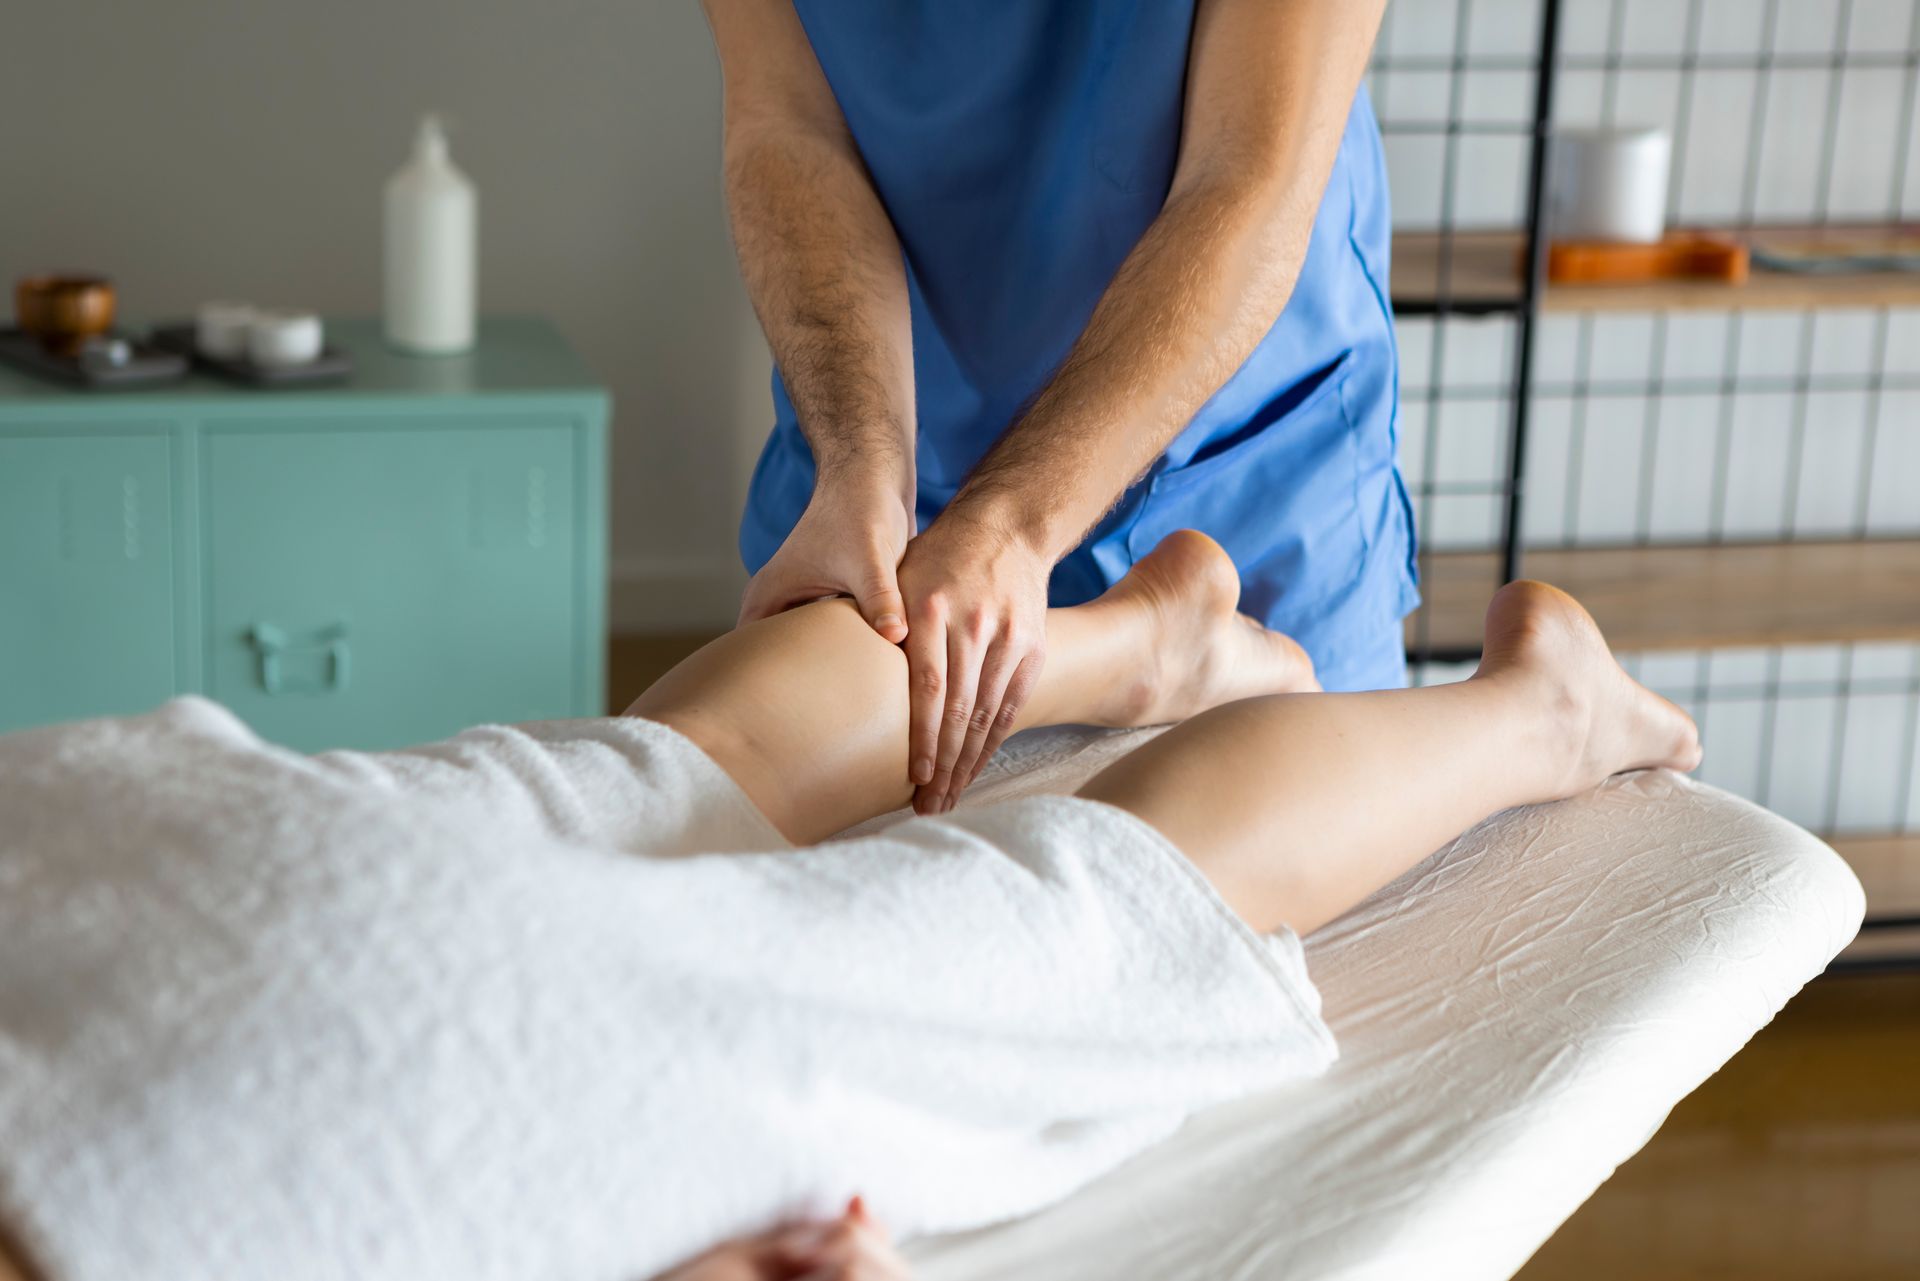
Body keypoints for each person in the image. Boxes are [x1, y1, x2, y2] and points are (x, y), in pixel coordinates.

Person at [0, 532, 1698, 1281]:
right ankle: (1139, 644)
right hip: (89, 863)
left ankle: (1538, 709)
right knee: (678, 761)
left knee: (1074, 929)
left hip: (212, 1178)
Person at [706, 0, 1419, 817]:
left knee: (1237, 889)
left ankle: (1545, 704)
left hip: (1237, 473)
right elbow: (789, 128)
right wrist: (862, 465)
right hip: (889, 459)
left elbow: (1249, 175)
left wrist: (1009, 525)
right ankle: (1144, 645)